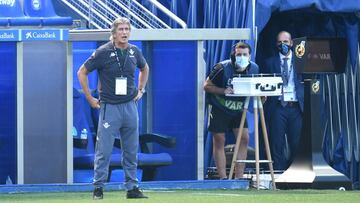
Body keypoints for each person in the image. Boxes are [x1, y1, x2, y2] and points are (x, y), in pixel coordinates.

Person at [77, 17, 149, 199]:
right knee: (104, 149)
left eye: (127, 29)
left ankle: (132, 187)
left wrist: (141, 89)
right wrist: (89, 98)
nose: (124, 33)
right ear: (114, 33)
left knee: (132, 149)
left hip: (130, 106)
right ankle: (98, 187)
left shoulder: (134, 51)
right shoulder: (103, 52)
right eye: (121, 30)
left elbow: (145, 68)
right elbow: (82, 72)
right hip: (110, 107)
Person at [204, 42, 259, 179]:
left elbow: (256, 86)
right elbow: (206, 86)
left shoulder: (254, 69)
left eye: (245, 55)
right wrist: (223, 90)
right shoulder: (222, 68)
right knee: (219, 139)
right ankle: (223, 178)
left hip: (239, 109)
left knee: (244, 138)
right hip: (220, 107)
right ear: (233, 54)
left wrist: (262, 96)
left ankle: (239, 177)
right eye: (239, 54)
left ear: (249, 56)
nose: (242, 57)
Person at [262, 31, 304, 170]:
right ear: (276, 44)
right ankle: (278, 174)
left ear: (292, 43)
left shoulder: (301, 61)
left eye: (285, 42)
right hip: (278, 106)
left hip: (296, 106)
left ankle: (296, 172)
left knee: (297, 142)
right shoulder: (269, 62)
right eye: (280, 42)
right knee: (277, 142)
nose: (283, 45)